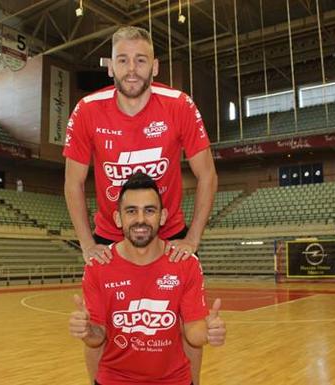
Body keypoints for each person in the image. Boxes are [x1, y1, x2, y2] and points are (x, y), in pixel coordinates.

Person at [63, 25, 218, 384]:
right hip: (108, 234)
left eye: (140, 60)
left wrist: (192, 240)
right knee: (96, 323)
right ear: (110, 67)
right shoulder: (88, 109)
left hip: (171, 231)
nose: (132, 69)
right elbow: (73, 182)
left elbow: (207, 175)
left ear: (155, 66)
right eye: (123, 60)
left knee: (187, 321)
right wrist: (88, 245)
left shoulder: (179, 105)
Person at [69, 173, 226, 385]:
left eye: (149, 210)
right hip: (115, 380)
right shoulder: (99, 266)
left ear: (162, 217)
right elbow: (97, 337)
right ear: (118, 218)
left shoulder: (185, 263)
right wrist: (87, 330)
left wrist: (209, 331)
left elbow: (193, 332)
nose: (140, 219)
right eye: (131, 211)